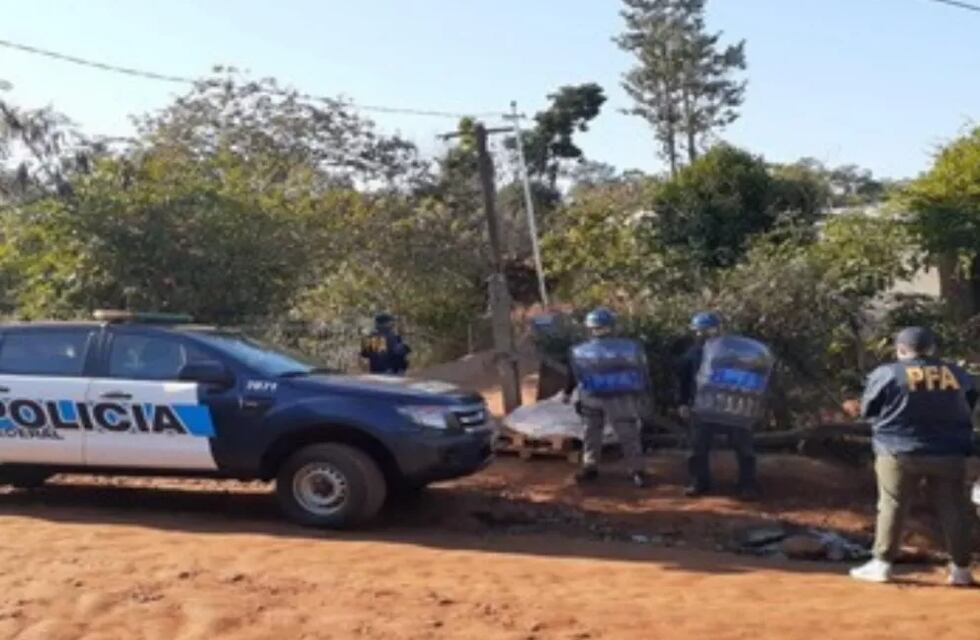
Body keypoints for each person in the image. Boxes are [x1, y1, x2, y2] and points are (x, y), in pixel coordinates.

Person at [850, 327, 977, 586]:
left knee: (893, 505)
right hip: (949, 451)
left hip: (897, 450)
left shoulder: (887, 373)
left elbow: (868, 409)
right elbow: (971, 402)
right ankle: (961, 570)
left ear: (901, 350)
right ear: (932, 349)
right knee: (953, 508)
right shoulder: (959, 374)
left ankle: (882, 564)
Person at [678, 312, 772, 499]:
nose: (703, 335)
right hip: (703, 407)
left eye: (706, 331)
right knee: (698, 447)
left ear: (718, 331)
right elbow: (685, 381)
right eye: (699, 332)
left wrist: (757, 403)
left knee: (744, 448)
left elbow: (752, 378)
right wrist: (682, 403)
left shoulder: (733, 352)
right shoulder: (692, 354)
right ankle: (699, 482)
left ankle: (747, 484)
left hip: (734, 407)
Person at [562, 307, 650, 488]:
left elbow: (574, 374)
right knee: (628, 433)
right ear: (612, 327)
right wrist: (643, 393)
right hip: (620, 397)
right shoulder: (628, 348)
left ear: (590, 328)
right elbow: (640, 372)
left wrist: (567, 393)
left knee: (591, 432)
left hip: (590, 396)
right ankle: (637, 471)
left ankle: (590, 467)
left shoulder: (580, 351)